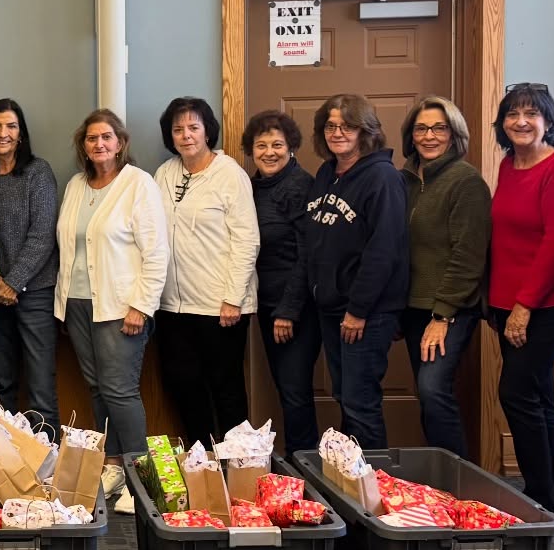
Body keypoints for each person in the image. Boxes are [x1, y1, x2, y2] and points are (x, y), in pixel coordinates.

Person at [54, 109, 168, 465]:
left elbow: (157, 251)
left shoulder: (138, 184)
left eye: (106, 137)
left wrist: (141, 306)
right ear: (83, 146)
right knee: (97, 388)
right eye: (92, 138)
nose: (99, 143)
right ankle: (113, 463)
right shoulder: (75, 185)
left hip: (120, 307)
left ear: (120, 143)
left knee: (120, 391)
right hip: (76, 304)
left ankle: (139, 471)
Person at [488, 83, 554, 516]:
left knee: (517, 393)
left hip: (546, 306)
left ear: (548, 120)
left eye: (531, 113)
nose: (521, 121)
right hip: (506, 304)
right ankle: (548, 496)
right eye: (512, 114)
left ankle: (541, 497)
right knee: (538, 396)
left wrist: (523, 306)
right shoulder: (510, 164)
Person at [303, 94, 407, 449]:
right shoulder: (325, 173)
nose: (337, 133)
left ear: (366, 130)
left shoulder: (382, 177)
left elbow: (384, 251)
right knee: (346, 397)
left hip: (365, 313)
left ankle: (374, 491)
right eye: (330, 126)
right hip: (332, 309)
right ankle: (352, 485)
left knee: (361, 402)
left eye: (347, 126)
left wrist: (358, 311)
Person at [153, 96, 259, 444]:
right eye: (178, 129)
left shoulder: (230, 175)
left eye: (193, 127)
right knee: (182, 384)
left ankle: (239, 466)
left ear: (207, 131)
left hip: (219, 307)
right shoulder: (164, 173)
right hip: (172, 308)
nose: (186, 135)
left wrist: (233, 299)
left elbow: (247, 241)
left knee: (226, 389)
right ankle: (202, 462)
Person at [399, 97, 491, 458]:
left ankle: (459, 484)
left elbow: (468, 256)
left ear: (454, 135)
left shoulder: (465, 181)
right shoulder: (403, 180)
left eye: (439, 128)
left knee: (433, 389)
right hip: (412, 308)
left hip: (450, 309)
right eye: (421, 128)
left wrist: (442, 316)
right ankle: (437, 480)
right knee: (427, 395)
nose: (430, 135)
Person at [0, 99, 59, 429]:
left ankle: (47, 465)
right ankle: (6, 465)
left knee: (41, 388)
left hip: (34, 293)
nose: (3, 133)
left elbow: (42, 234)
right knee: (1, 383)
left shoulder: (37, 172)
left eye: (11, 126)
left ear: (21, 134)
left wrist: (13, 281)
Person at [243, 110, 320, 457]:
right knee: (285, 388)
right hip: (267, 303)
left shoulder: (299, 185)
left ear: (291, 148)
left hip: (294, 309)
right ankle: (299, 463)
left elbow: (307, 254)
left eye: (278, 144)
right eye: (261, 145)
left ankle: (305, 464)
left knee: (294, 391)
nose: (269, 152)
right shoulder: (253, 186)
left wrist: (288, 311)